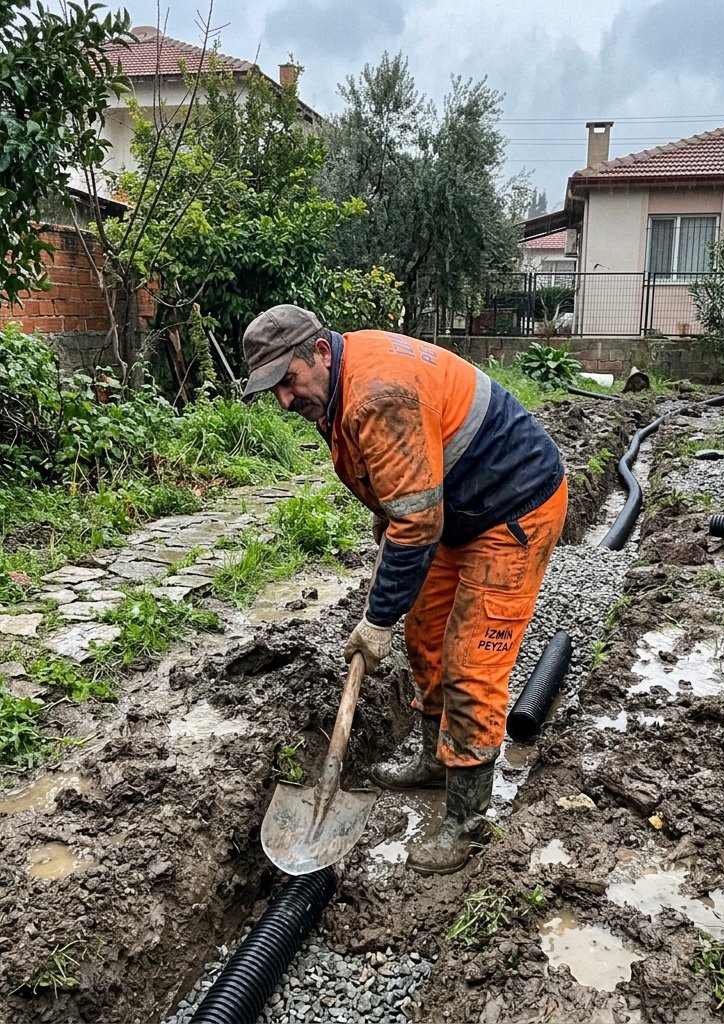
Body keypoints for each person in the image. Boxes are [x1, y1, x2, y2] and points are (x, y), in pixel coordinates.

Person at [242, 304, 567, 875]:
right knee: (425, 637)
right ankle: (433, 761)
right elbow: (401, 490)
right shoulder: (340, 381)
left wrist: (375, 620)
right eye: (274, 391)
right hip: (456, 510)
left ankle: (467, 824)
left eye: (288, 382)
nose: (286, 402)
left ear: (319, 351)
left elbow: (416, 524)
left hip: (513, 510)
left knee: (472, 664)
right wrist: (387, 520)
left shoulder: (376, 393)